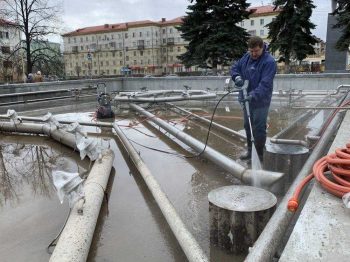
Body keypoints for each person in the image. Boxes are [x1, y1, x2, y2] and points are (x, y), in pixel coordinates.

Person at [230, 36, 277, 162]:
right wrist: (237, 77)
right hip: (246, 99)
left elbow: (265, 84)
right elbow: (235, 67)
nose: (253, 54)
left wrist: (253, 95)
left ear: (262, 48)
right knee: (247, 125)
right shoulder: (246, 57)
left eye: (256, 51)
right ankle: (251, 152)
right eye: (251, 51)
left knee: (259, 127)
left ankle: (259, 155)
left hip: (261, 101)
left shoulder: (269, 62)